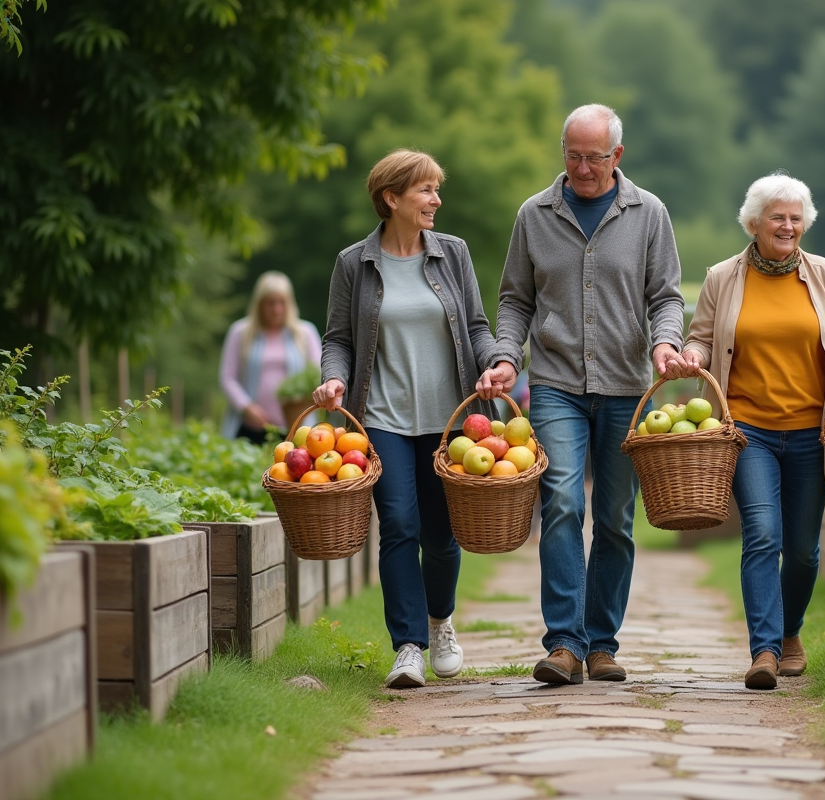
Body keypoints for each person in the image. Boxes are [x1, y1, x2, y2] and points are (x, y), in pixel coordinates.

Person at [477, 104, 686, 685]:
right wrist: (503, 355)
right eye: (573, 156)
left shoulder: (649, 214)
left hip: (625, 386)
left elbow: (666, 297)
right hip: (556, 385)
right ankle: (564, 643)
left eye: (595, 157)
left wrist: (665, 344)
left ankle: (602, 644)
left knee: (616, 519)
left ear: (617, 155)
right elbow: (516, 299)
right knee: (562, 503)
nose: (584, 168)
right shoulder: (534, 214)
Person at [667, 173, 825, 690]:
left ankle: (789, 633)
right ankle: (763, 650)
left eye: (795, 217)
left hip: (812, 429)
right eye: (777, 217)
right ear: (754, 223)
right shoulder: (722, 277)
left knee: (804, 550)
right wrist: (692, 355)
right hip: (748, 431)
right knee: (762, 533)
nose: (787, 226)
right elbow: (700, 339)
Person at [311, 148, 501, 689]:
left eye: (437, 190)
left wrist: (497, 362)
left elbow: (478, 326)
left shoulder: (453, 255)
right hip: (384, 417)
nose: (436, 200)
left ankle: (440, 621)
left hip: (451, 423)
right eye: (426, 191)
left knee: (442, 535)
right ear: (391, 198)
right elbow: (338, 339)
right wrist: (333, 376)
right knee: (398, 524)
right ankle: (409, 646)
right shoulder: (355, 263)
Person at [219, 271, 322, 445]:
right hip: (249, 429)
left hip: (297, 430)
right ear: (259, 304)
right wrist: (247, 407)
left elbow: (319, 375)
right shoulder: (240, 332)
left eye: (281, 303)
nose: (276, 309)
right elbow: (227, 377)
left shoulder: (305, 333)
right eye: (270, 303)